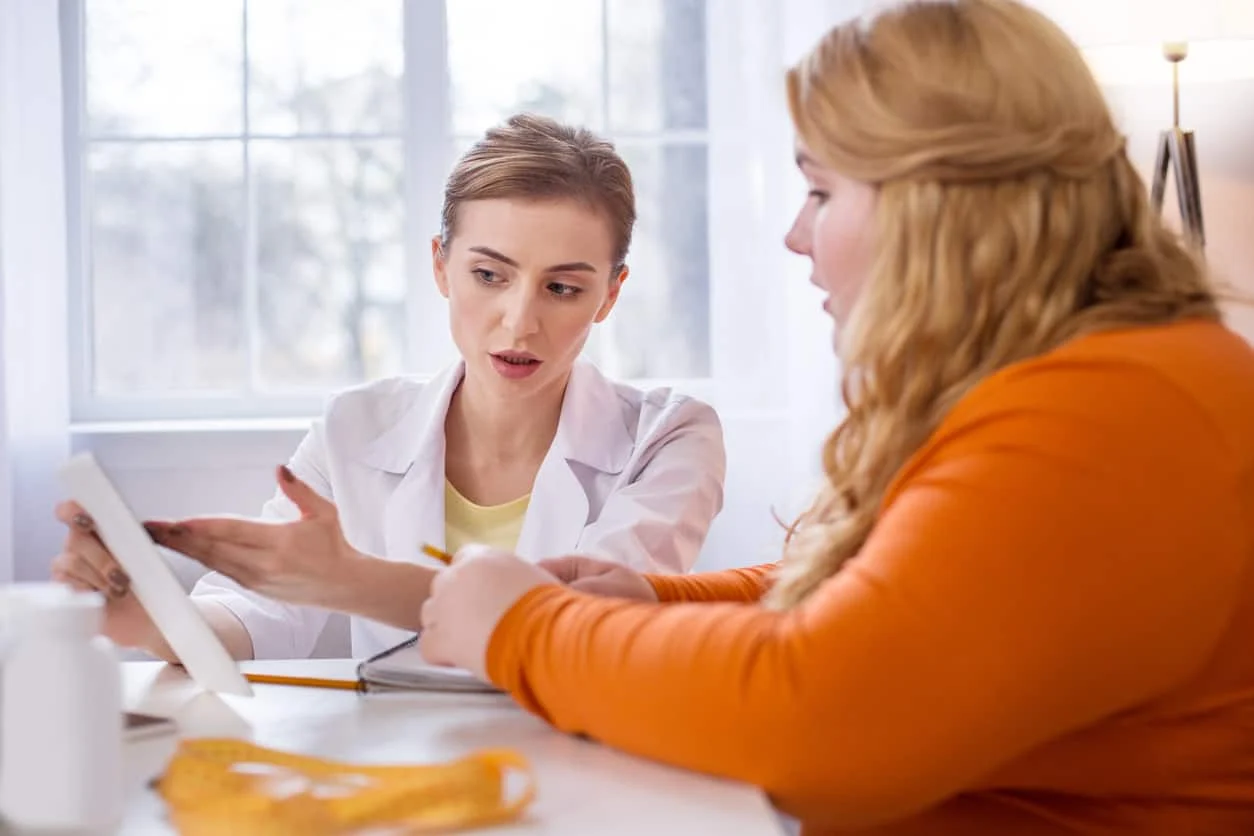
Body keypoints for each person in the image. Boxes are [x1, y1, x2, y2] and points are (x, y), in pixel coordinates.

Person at [414, 2, 1254, 834]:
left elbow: (818, 715)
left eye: (820, 190)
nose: (794, 234)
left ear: (937, 207)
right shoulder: (1079, 380)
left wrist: (525, 628)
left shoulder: (1112, 415)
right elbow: (879, 598)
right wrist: (655, 600)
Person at [51, 114, 726, 663]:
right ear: (441, 266)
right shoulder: (356, 426)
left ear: (609, 294)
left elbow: (583, 626)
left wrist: (350, 581)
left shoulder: (670, 437)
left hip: (588, 765)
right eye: (490, 275)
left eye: (562, 288)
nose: (520, 322)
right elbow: (257, 614)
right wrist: (150, 619)